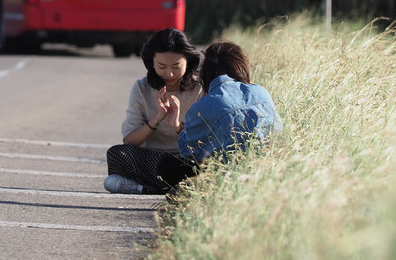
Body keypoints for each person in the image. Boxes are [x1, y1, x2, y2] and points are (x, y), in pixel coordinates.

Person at [156, 40, 282, 189]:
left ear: (206, 73)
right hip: (267, 170)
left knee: (166, 166)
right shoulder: (261, 92)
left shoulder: (204, 105)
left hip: (228, 178)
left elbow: (187, 151)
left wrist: (178, 128)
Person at [104, 28, 204, 194]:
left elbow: (203, 143)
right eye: (162, 66)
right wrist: (157, 119)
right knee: (116, 154)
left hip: (186, 158)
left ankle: (143, 188)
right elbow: (130, 141)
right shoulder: (141, 88)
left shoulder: (199, 89)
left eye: (176, 66)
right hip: (150, 159)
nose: (170, 73)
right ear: (152, 63)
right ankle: (176, 188)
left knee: (204, 163)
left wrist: (178, 127)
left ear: (188, 61)